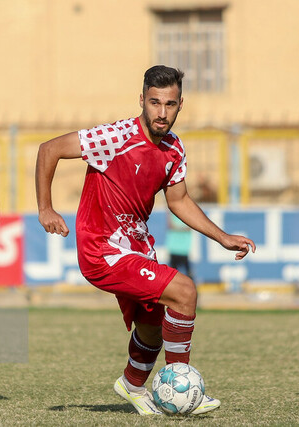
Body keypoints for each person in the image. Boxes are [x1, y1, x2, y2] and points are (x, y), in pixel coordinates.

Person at [36, 65, 255, 416]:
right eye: (155, 103)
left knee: (152, 328)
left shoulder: (174, 149)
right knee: (185, 292)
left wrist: (222, 237)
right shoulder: (115, 136)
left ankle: (132, 384)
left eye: (170, 104)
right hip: (102, 248)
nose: (162, 113)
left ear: (181, 104)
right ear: (142, 100)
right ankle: (183, 391)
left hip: (137, 248)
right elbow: (49, 149)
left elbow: (179, 200)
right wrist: (45, 208)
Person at [166, 212, 193, 279]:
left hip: (183, 248)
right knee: (173, 274)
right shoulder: (171, 211)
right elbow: (170, 225)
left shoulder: (188, 211)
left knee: (187, 272)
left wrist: (177, 227)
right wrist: (183, 228)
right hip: (174, 247)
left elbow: (189, 227)